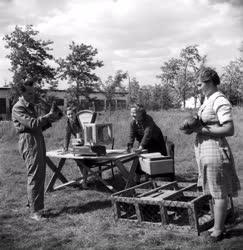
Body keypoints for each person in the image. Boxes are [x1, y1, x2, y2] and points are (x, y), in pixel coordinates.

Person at [185, 67, 241, 241]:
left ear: (209, 82)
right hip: (205, 149)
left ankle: (218, 230)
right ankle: (219, 223)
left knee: (218, 192)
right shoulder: (208, 99)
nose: (198, 86)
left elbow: (229, 129)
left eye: (200, 83)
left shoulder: (219, 99)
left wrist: (202, 129)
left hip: (214, 149)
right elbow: (206, 124)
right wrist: (192, 127)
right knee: (212, 189)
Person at [12, 80, 60, 221]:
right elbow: (32, 123)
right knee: (35, 175)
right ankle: (36, 212)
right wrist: (48, 116)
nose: (33, 95)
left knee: (38, 174)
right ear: (22, 93)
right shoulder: (18, 107)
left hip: (36, 139)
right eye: (30, 93)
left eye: (34, 93)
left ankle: (31, 204)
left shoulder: (30, 106)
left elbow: (38, 126)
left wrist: (52, 119)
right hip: (29, 142)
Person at [127, 104, 168, 182]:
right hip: (143, 141)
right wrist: (130, 146)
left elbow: (147, 134)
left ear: (141, 112)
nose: (132, 114)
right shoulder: (132, 123)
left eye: (134, 112)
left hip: (155, 141)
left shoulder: (148, 119)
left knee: (153, 160)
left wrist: (141, 147)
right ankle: (137, 179)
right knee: (138, 158)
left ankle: (153, 179)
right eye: (131, 112)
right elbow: (131, 135)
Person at [63, 107, 88, 189]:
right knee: (78, 161)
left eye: (72, 113)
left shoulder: (81, 119)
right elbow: (67, 136)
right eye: (68, 114)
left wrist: (83, 139)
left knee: (84, 161)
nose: (70, 115)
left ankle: (84, 181)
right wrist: (65, 148)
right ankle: (83, 178)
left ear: (75, 114)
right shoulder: (68, 123)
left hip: (88, 141)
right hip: (79, 143)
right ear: (67, 115)